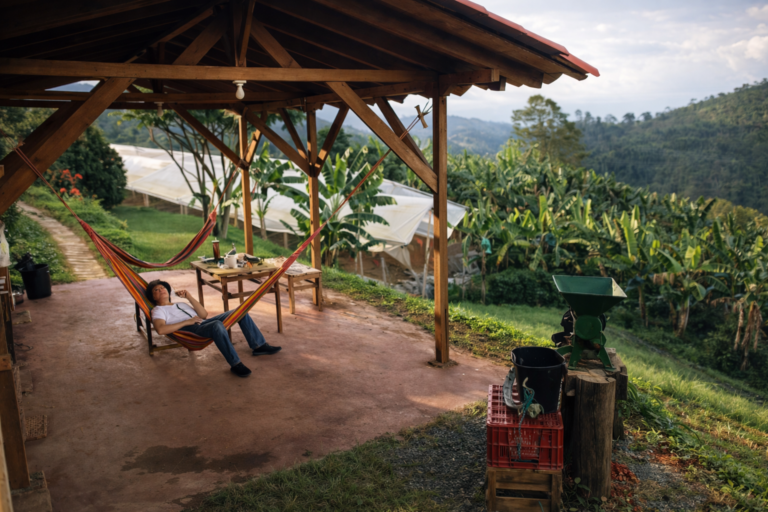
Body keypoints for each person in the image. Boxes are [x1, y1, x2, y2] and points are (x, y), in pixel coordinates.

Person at [145, 279, 281, 378]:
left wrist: (189, 297)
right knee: (217, 325)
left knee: (240, 311)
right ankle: (236, 364)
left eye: (162, 287)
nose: (160, 290)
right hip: (191, 331)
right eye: (156, 290)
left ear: (168, 292)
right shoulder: (158, 310)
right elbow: (161, 330)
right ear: (153, 297)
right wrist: (187, 322)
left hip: (203, 323)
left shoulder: (181, 304)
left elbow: (203, 315)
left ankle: (259, 346)